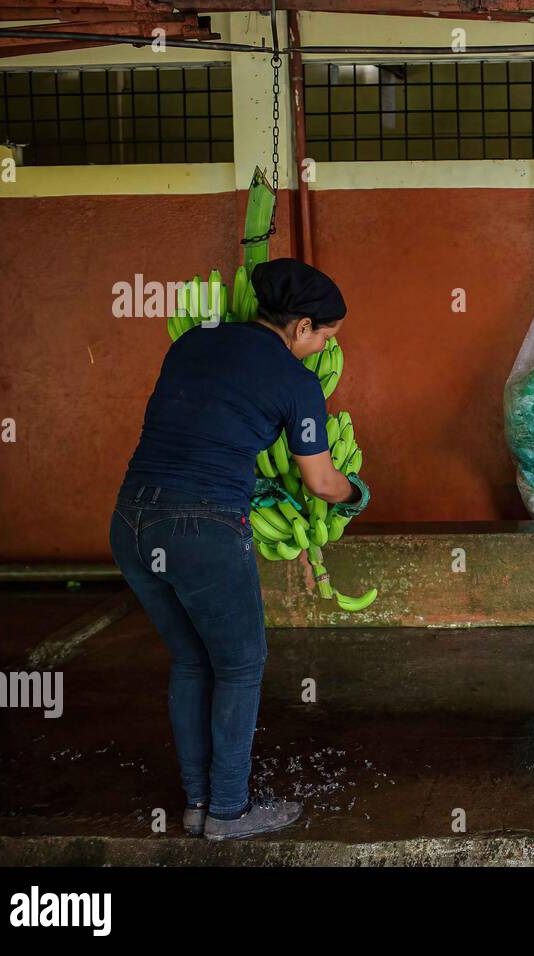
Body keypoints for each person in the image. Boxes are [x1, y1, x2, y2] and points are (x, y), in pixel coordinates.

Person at [110, 259, 370, 841]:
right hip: (201, 529)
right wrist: (357, 492)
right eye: (324, 338)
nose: (321, 351)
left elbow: (198, 423)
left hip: (131, 520)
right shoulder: (296, 382)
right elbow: (322, 481)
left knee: (192, 660)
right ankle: (228, 811)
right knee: (240, 665)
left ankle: (198, 803)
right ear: (302, 327)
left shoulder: (193, 345)